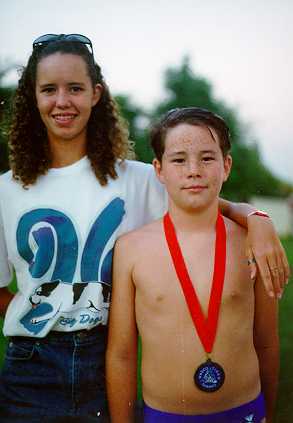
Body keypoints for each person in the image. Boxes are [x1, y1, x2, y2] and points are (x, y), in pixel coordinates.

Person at [0, 34, 286, 421]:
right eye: (49, 89)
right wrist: (40, 315)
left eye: (76, 88)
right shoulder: (7, 189)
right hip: (30, 366)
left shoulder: (135, 179)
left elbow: (198, 196)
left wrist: (255, 217)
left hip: (102, 358)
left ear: (96, 94)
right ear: (33, 97)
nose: (62, 101)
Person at [106, 107, 279, 423]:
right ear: (159, 170)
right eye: (179, 159)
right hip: (165, 415)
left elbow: (267, 343)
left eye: (207, 158)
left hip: (246, 412)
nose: (194, 170)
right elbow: (121, 354)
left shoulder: (252, 243)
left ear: (226, 166)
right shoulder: (131, 249)